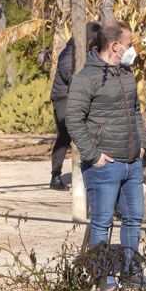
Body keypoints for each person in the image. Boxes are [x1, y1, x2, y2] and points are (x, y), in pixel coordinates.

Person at [66, 20, 146, 291]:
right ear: (114, 46)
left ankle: (131, 271)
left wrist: (143, 144)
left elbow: (136, 112)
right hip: (105, 166)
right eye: (129, 45)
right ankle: (103, 275)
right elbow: (73, 120)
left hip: (131, 163)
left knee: (134, 218)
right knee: (102, 222)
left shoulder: (126, 74)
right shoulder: (86, 78)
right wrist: (94, 156)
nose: (132, 49)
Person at [49, 21, 101, 190]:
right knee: (65, 137)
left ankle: (87, 173)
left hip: (77, 96)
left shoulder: (87, 52)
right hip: (63, 97)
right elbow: (69, 74)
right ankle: (55, 175)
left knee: (85, 135)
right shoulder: (69, 52)